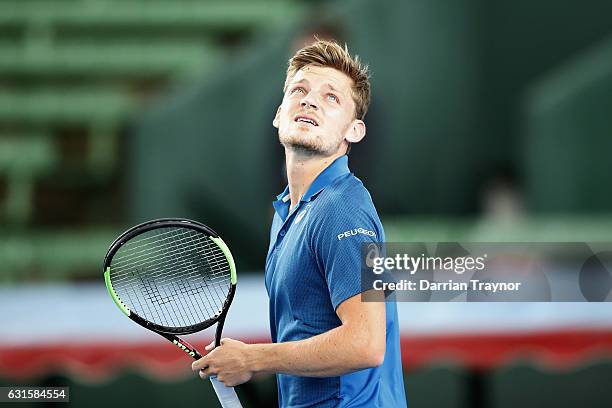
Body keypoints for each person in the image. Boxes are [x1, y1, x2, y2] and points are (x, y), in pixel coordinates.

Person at [192, 39, 407, 407]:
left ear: (353, 131)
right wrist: (249, 361)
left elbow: (366, 344)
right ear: (279, 114)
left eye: (331, 98)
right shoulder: (288, 214)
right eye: (300, 90)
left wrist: (253, 358)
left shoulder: (344, 209)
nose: (310, 100)